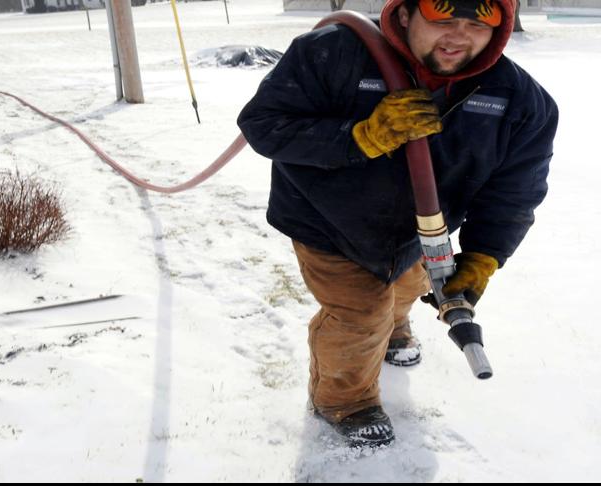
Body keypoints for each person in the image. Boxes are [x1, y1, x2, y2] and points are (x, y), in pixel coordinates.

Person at [238, 0, 558, 446]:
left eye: (475, 24)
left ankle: (394, 328)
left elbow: (514, 192)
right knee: (361, 314)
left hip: (422, 233)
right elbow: (263, 125)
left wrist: (484, 257)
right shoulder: (335, 53)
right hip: (330, 224)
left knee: (407, 288)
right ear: (405, 14)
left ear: (499, 29)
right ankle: (344, 401)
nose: (457, 36)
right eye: (442, 19)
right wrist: (361, 136)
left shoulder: (519, 102)